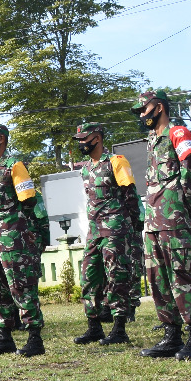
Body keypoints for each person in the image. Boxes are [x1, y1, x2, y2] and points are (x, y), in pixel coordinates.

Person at [132, 91, 191, 360]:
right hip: (154, 222)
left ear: (160, 107)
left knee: (183, 275)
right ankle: (171, 336)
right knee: (158, 280)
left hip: (174, 219)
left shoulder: (178, 133)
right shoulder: (152, 140)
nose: (142, 115)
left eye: (145, 109)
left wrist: (186, 212)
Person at [0, 122, 45, 358]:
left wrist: (14, 224)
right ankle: (4, 338)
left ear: (1, 139)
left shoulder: (14, 166)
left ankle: (35, 338)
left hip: (13, 240)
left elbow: (29, 200)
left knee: (21, 288)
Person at [71, 122, 140, 346]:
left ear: (98, 138)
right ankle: (94, 327)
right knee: (89, 277)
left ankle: (119, 328)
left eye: (85, 138)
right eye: (79, 139)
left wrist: (133, 225)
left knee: (117, 276)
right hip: (94, 230)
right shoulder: (85, 169)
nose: (81, 143)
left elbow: (130, 195)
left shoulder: (116, 162)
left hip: (116, 227)